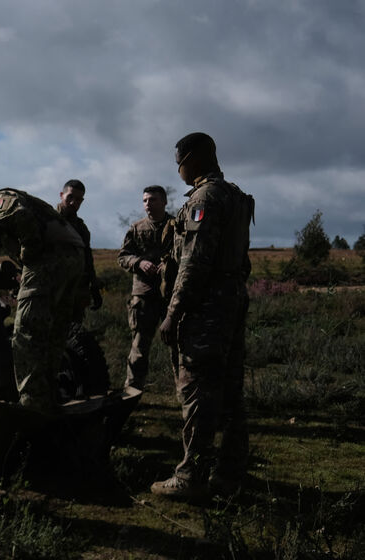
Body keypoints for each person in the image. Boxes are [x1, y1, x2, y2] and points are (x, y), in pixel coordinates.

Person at [151, 133, 254, 500]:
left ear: (193, 159)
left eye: (179, 161)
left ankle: (191, 476)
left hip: (205, 306)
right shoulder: (236, 196)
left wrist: (173, 313)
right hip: (231, 301)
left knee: (197, 388)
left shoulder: (205, 198)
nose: (177, 168)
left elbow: (194, 263)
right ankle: (230, 474)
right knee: (229, 388)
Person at [0, 188, 85, 414]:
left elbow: (21, 214)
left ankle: (32, 405)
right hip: (73, 256)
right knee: (53, 331)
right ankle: (49, 394)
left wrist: (29, 255)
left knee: (26, 334)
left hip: (50, 257)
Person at [116, 185, 174, 391]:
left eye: (153, 200)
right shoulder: (136, 228)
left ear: (164, 202)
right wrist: (138, 263)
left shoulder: (177, 227)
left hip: (172, 296)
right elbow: (123, 256)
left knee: (178, 345)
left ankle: (182, 390)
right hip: (144, 295)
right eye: (145, 200)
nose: (147, 204)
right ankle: (132, 391)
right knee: (139, 347)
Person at [57, 180, 103, 320]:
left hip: (75, 292)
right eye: (70, 197)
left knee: (73, 336)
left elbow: (88, 259)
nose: (73, 202)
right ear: (61, 195)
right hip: (50, 290)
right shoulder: (48, 220)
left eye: (78, 199)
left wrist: (94, 287)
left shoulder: (81, 228)